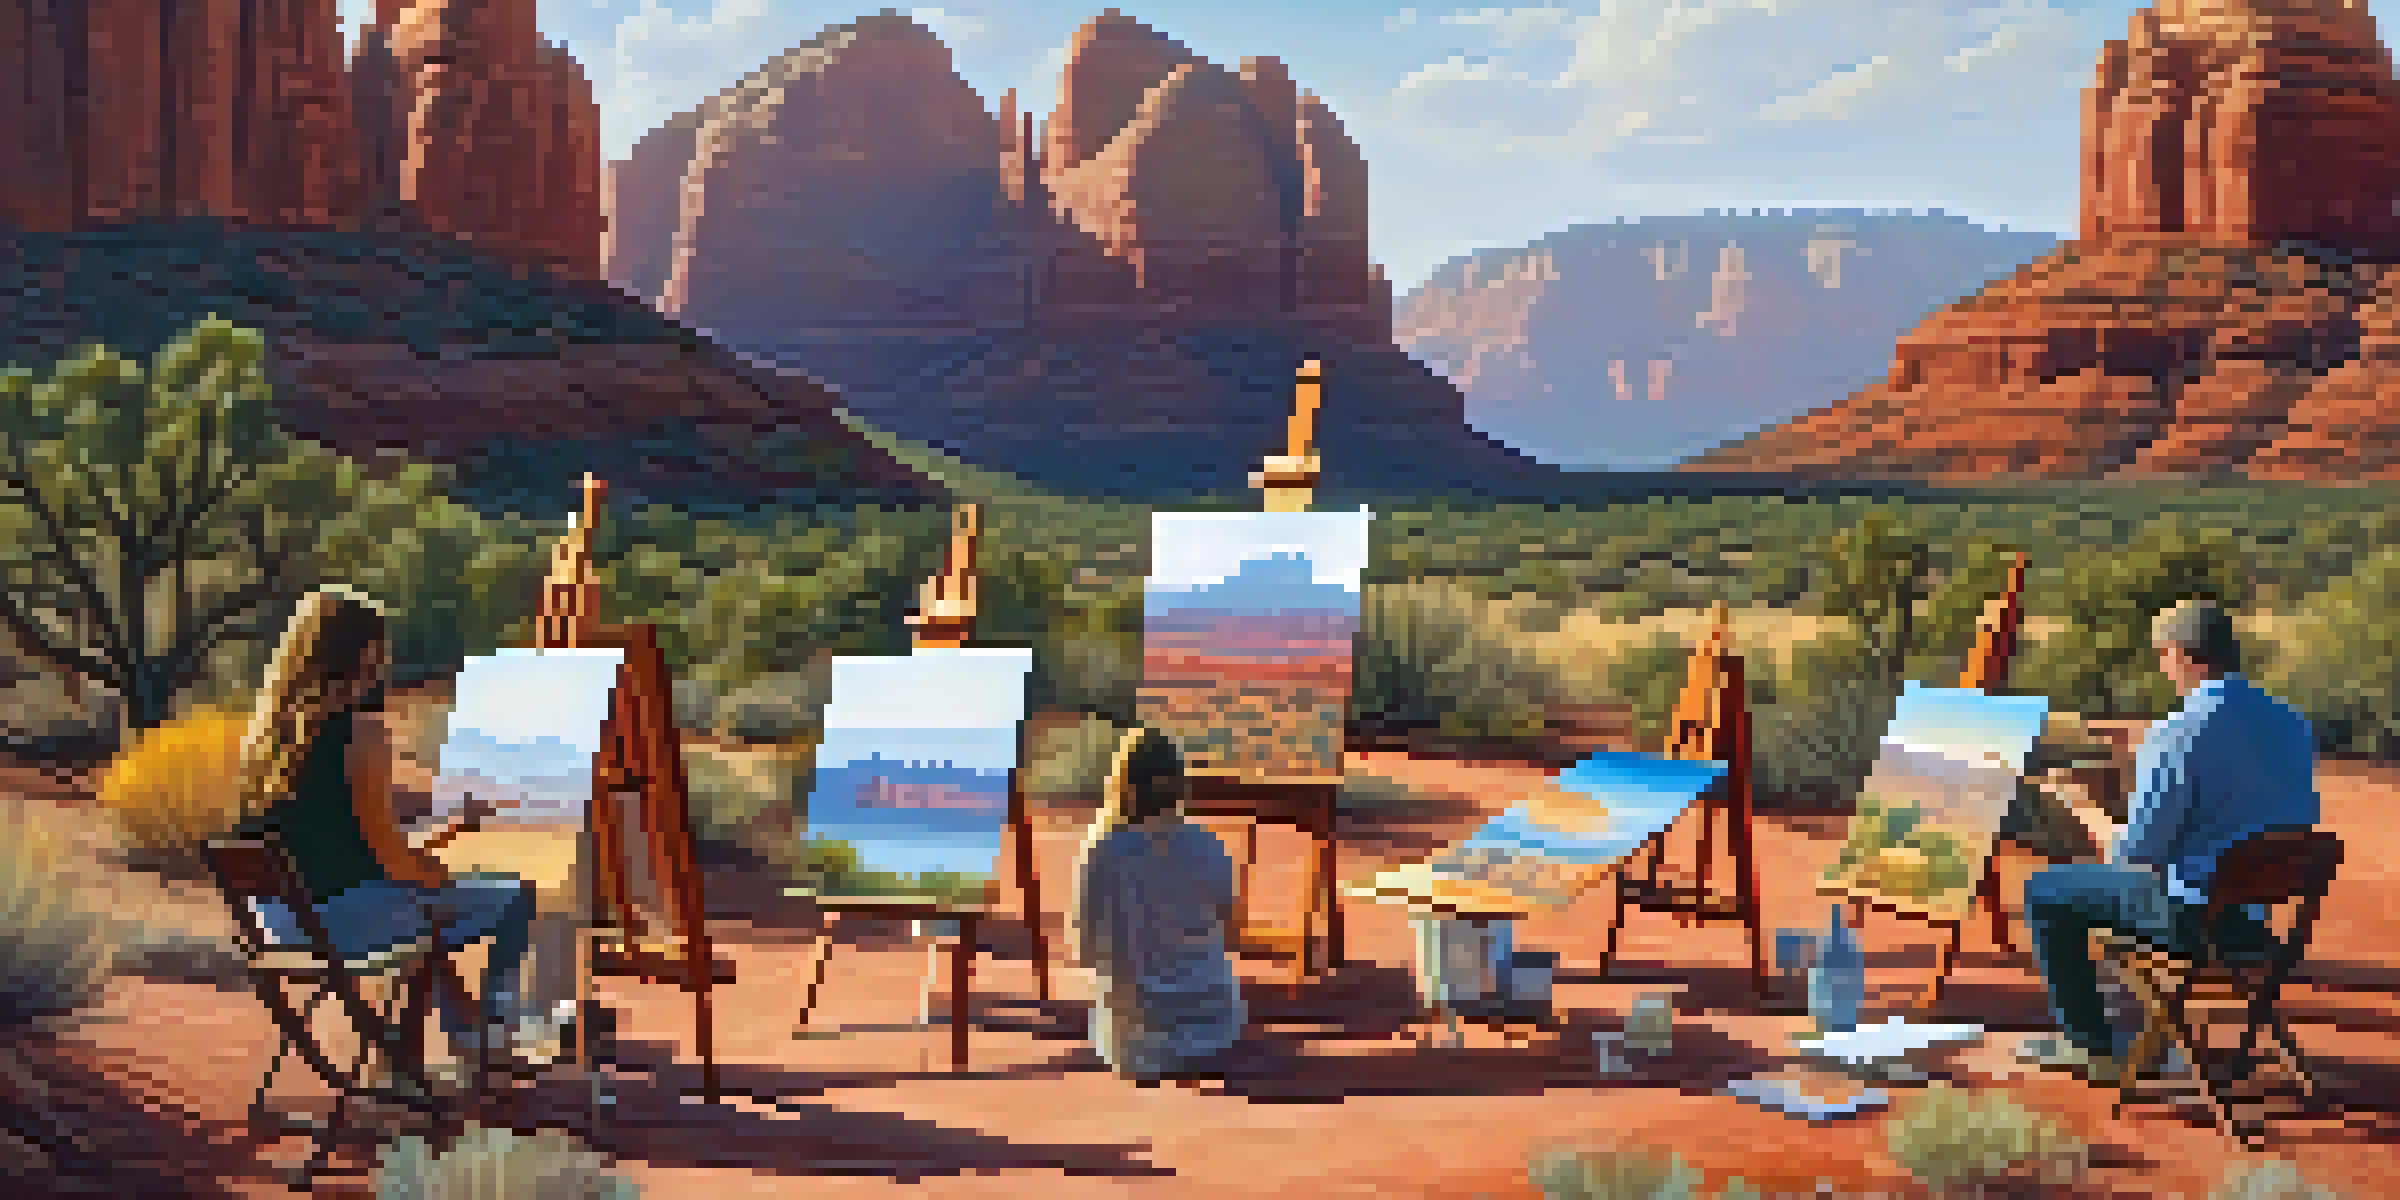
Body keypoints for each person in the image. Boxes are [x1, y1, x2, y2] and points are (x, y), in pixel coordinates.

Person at [233, 586, 539, 1074]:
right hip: (342, 924)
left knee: (422, 916)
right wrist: (431, 871)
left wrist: (441, 838)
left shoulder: (266, 736)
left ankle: (449, 1043)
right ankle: (491, 1038)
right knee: (513, 898)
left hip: (278, 924)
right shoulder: (362, 731)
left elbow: (355, 850)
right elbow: (389, 859)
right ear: (364, 654)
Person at [2016, 599, 2318, 1084]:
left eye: (2163, 656)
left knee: (2046, 891)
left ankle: (2089, 1045)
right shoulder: (2292, 724)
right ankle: (2129, 1032)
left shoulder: (2178, 731)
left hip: (2194, 923)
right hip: (2255, 925)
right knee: (2128, 887)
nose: (2164, 668)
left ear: (2183, 654)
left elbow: (2135, 856)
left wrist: (2076, 802)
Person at [1071, 726, 1246, 1085]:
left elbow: (1085, 947)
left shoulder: (1100, 849)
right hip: (1215, 1025)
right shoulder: (1208, 844)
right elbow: (1230, 922)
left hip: (1132, 1038)